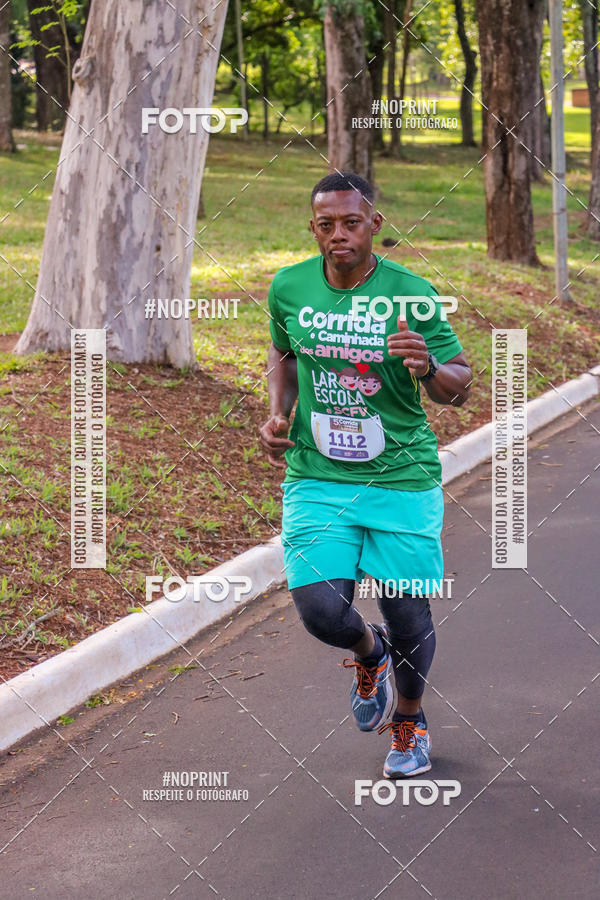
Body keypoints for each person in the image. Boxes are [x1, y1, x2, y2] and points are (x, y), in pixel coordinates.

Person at [259, 172, 472, 778]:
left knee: (407, 612)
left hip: (400, 477)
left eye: (351, 223)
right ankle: (367, 651)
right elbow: (283, 355)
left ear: (374, 224)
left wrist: (428, 366)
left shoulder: (410, 293)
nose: (338, 235)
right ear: (313, 228)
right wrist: (278, 413)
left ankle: (408, 719)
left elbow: (459, 384)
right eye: (325, 225)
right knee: (322, 611)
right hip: (317, 474)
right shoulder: (290, 287)